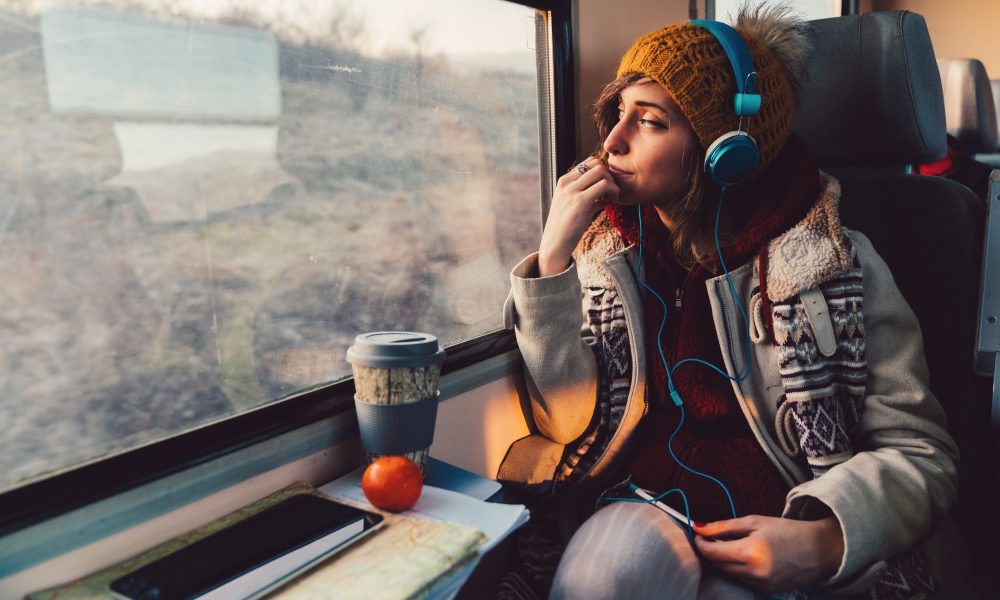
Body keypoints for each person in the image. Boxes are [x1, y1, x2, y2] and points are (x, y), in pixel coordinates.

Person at [500, 5, 961, 599]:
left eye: (651, 122)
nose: (612, 142)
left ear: (727, 149)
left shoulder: (835, 264)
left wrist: (824, 539)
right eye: (619, 113)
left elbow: (922, 454)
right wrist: (553, 260)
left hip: (788, 512)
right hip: (650, 499)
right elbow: (564, 422)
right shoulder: (605, 256)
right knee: (599, 581)